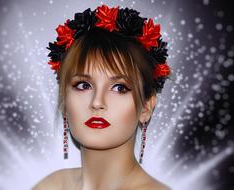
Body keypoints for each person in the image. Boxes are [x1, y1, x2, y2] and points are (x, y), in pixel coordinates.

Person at [33, 4, 172, 190]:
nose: (97, 102)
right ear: (65, 101)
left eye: (119, 88)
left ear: (146, 107)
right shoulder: (50, 186)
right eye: (83, 85)